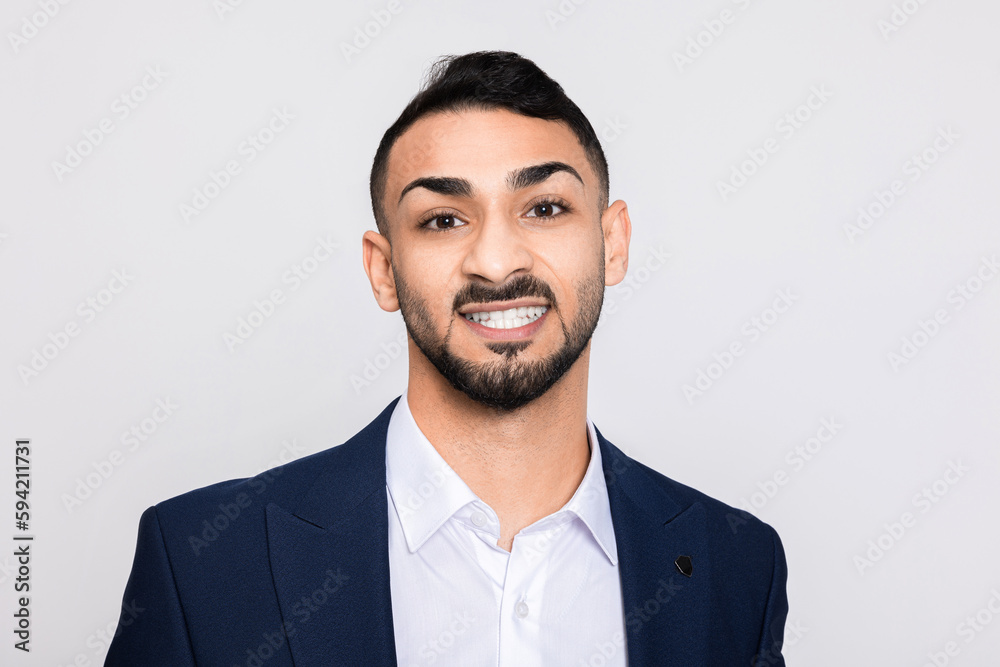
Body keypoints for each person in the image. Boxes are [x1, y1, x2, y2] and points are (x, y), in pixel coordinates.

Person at [105, 50, 787, 666]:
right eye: (442, 219)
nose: (495, 261)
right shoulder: (204, 564)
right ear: (384, 270)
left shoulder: (738, 567)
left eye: (545, 207)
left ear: (612, 243)